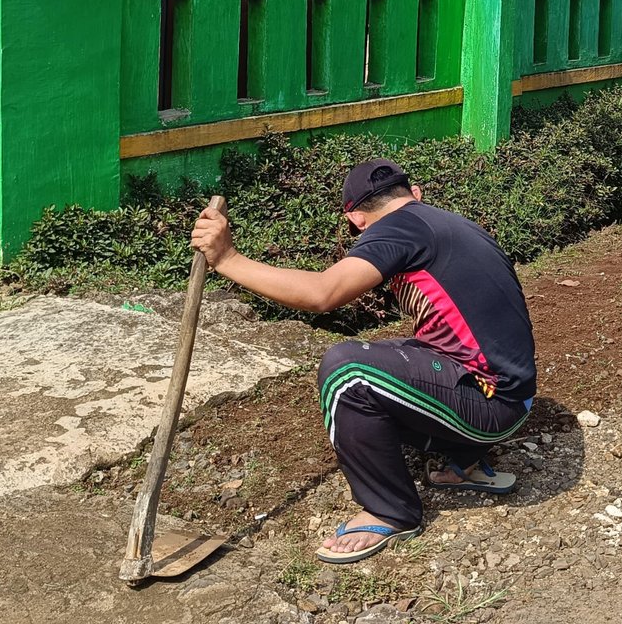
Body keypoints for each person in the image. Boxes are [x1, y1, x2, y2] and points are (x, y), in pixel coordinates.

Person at [190, 157, 537, 565]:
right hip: (511, 397)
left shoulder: (399, 226)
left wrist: (229, 259)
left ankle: (391, 510)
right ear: (415, 193)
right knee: (396, 355)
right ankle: (463, 458)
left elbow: (323, 294)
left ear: (356, 218)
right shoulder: (446, 222)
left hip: (493, 405)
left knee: (348, 370)